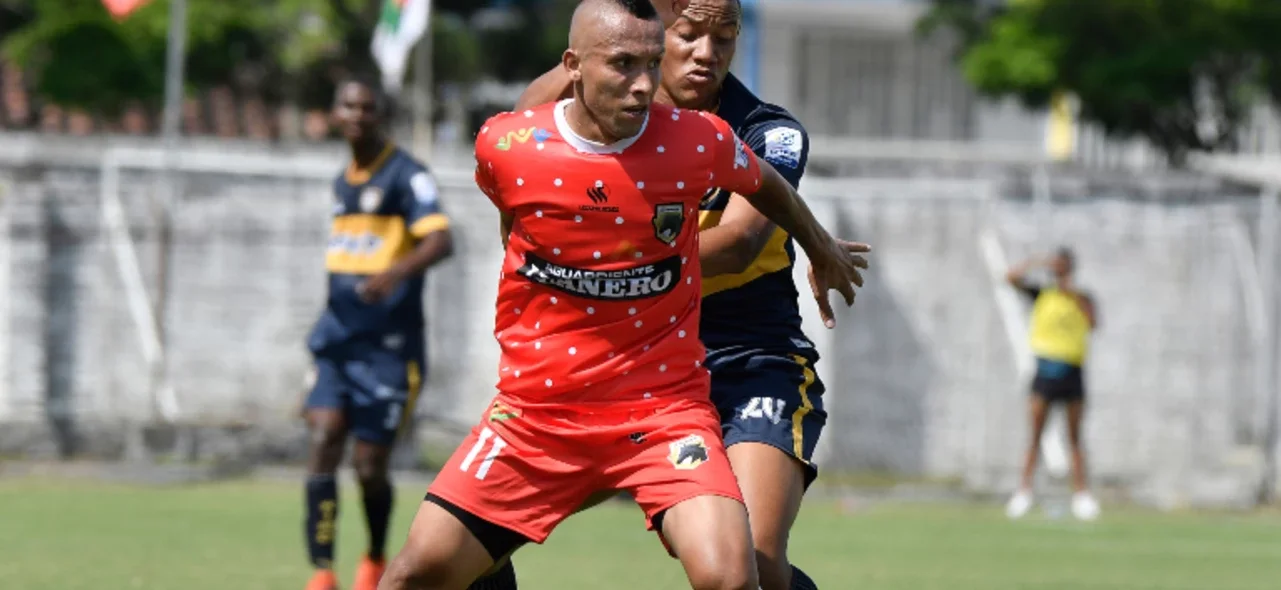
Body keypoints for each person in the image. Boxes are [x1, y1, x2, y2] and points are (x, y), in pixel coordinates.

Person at [377, 1, 867, 589]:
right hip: (601, 372)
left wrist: (819, 246)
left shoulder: (752, 131)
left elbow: (738, 243)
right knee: (461, 553)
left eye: (725, 37)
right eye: (688, 34)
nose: (706, 53)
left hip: (743, 360)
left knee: (755, 559)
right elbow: (528, 137)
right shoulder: (580, 120)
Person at [302, 76, 455, 590]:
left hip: (389, 350)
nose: (357, 115)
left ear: (380, 115)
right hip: (336, 342)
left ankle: (372, 557)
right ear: (334, 113)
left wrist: (393, 273)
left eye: (367, 107)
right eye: (348, 106)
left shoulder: (407, 175)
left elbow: (441, 240)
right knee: (323, 438)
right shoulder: (341, 181)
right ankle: (321, 572)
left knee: (369, 467)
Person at [1004, 247, 1101, 521]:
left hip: (1072, 371)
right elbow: (1010, 277)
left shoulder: (1081, 298)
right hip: (1045, 372)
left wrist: (1072, 291)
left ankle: (1082, 495)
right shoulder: (1042, 294)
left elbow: (1093, 322)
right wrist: (1037, 261)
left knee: (1075, 438)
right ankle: (1024, 492)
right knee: (1034, 435)